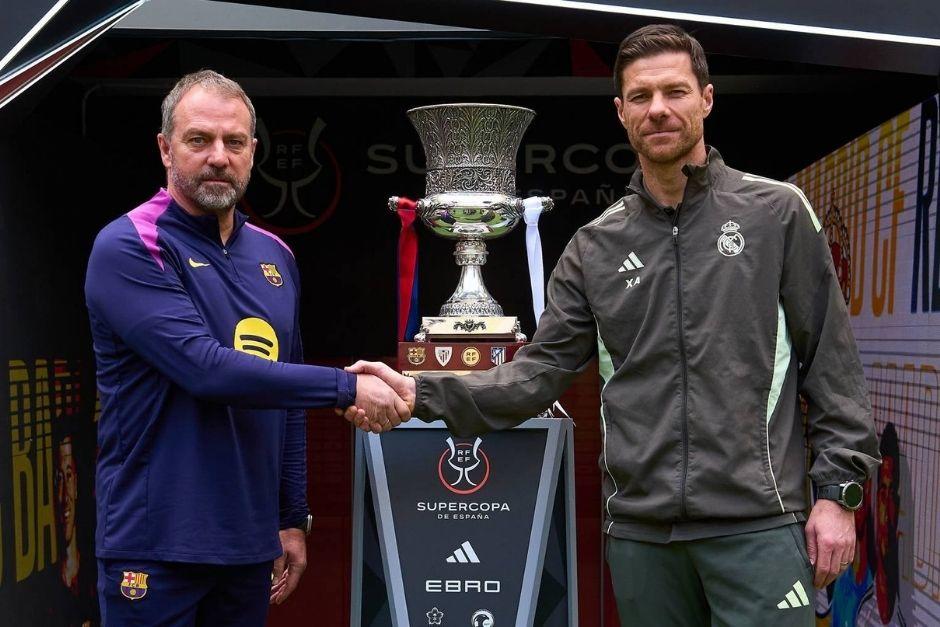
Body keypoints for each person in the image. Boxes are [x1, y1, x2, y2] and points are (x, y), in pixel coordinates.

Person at [344, 24, 880, 626]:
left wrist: (839, 498)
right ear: (620, 112)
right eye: (642, 97)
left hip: (758, 525)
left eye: (675, 92)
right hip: (643, 535)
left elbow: (831, 369)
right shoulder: (595, 245)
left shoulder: (775, 212)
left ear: (706, 98)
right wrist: (419, 393)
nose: (659, 110)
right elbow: (536, 375)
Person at [84, 70, 407, 627]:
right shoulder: (130, 245)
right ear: (165, 148)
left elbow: (283, 396)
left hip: (246, 547)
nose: (218, 157)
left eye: (234, 142)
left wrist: (289, 517)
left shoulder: (274, 256)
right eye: (198, 140)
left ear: (253, 152)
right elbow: (207, 370)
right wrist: (346, 387)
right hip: (154, 544)